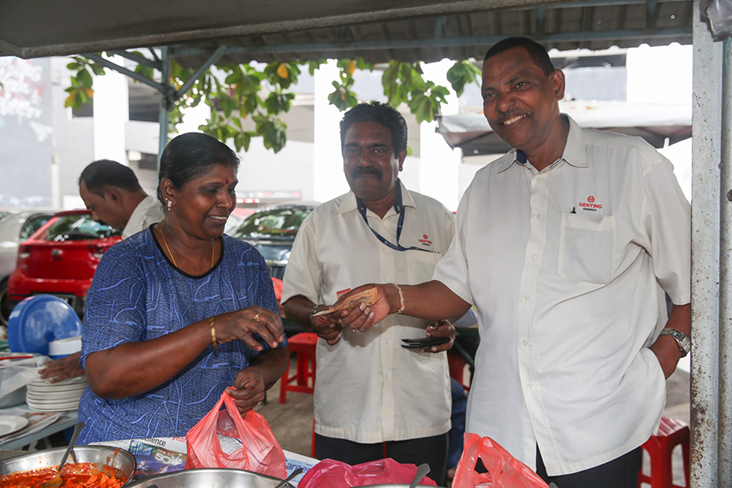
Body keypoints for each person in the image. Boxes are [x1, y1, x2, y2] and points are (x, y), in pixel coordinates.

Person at [335, 37, 691, 488]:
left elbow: (696, 284)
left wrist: (663, 357)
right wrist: (391, 294)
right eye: (489, 94)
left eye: (518, 84)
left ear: (556, 84)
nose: (504, 103)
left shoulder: (632, 166)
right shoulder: (485, 188)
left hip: (600, 429)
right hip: (501, 431)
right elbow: (455, 290)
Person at [281, 102, 456, 485]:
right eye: (352, 149)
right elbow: (293, 298)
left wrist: (449, 325)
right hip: (347, 409)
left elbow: (460, 294)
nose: (363, 160)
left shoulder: (437, 218)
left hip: (420, 407)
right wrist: (317, 316)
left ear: (401, 157)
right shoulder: (320, 224)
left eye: (377, 149)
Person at [77, 132, 288, 444]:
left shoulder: (246, 263)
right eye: (211, 190)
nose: (227, 202)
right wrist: (212, 329)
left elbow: (276, 350)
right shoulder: (127, 262)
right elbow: (105, 376)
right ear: (169, 191)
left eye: (231, 189)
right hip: (130, 449)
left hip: (216, 444)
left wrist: (259, 376)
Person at [39, 160, 165, 382]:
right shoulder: (150, 220)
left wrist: (92, 358)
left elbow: (157, 317)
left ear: (113, 195)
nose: (95, 218)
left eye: (93, 207)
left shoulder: (149, 231)